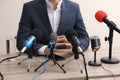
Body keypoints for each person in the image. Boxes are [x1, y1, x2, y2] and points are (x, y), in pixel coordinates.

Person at [16, 0, 89, 56]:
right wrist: (44, 49)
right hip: (39, 62)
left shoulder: (74, 7)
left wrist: (75, 48)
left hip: (68, 61)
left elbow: (84, 38)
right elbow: (21, 41)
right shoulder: (29, 8)